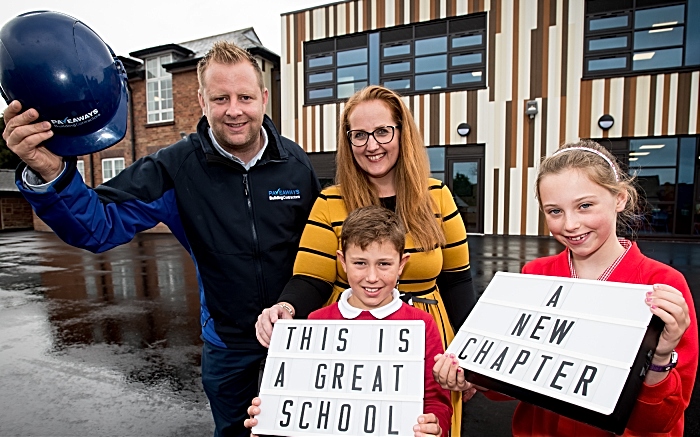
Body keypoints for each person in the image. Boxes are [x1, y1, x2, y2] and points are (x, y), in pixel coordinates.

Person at [3, 41, 320, 437]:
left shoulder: (295, 163)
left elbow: (321, 249)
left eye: (245, 97)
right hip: (227, 344)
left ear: (264, 98)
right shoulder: (174, 167)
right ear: (202, 100)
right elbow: (97, 225)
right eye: (221, 98)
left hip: (300, 337)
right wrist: (51, 172)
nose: (234, 110)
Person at [433, 140, 698, 436]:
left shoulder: (662, 286)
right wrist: (475, 377)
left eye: (585, 206)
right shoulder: (535, 275)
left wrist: (659, 359)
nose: (570, 224)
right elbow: (515, 382)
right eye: (555, 211)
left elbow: (659, 422)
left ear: (620, 198)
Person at [255, 85, 476, 435]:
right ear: (348, 141)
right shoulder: (330, 202)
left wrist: (470, 356)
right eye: (359, 135)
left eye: (382, 131)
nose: (371, 145)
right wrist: (286, 306)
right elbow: (311, 278)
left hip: (427, 337)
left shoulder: (438, 196)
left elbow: (458, 280)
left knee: (427, 423)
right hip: (350, 338)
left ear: (402, 133)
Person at [245, 205, 453, 436]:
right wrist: (270, 423)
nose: (372, 277)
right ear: (342, 261)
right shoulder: (317, 322)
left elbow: (437, 401)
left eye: (384, 264)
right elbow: (300, 398)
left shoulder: (421, 325)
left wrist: (435, 426)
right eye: (360, 263)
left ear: (402, 264)